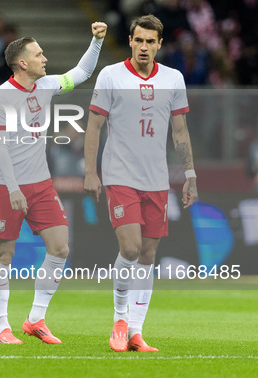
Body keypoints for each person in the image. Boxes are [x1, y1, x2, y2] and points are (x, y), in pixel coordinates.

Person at [0, 23, 107, 344]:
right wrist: (12, 188)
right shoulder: (1, 97)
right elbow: (0, 148)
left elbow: (81, 72)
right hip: (5, 184)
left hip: (40, 183)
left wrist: (96, 40)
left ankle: (35, 319)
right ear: (22, 63)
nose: (45, 57)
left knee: (60, 247)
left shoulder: (48, 84)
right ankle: (2, 329)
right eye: (38, 54)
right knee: (3, 254)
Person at [83, 15, 198, 352]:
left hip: (157, 179)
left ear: (160, 44)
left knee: (148, 256)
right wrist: (91, 172)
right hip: (120, 175)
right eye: (139, 40)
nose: (144, 46)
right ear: (130, 41)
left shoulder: (173, 78)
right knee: (130, 248)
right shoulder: (111, 75)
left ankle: (135, 331)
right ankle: (120, 319)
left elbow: (179, 131)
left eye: (151, 41)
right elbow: (93, 127)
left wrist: (189, 173)